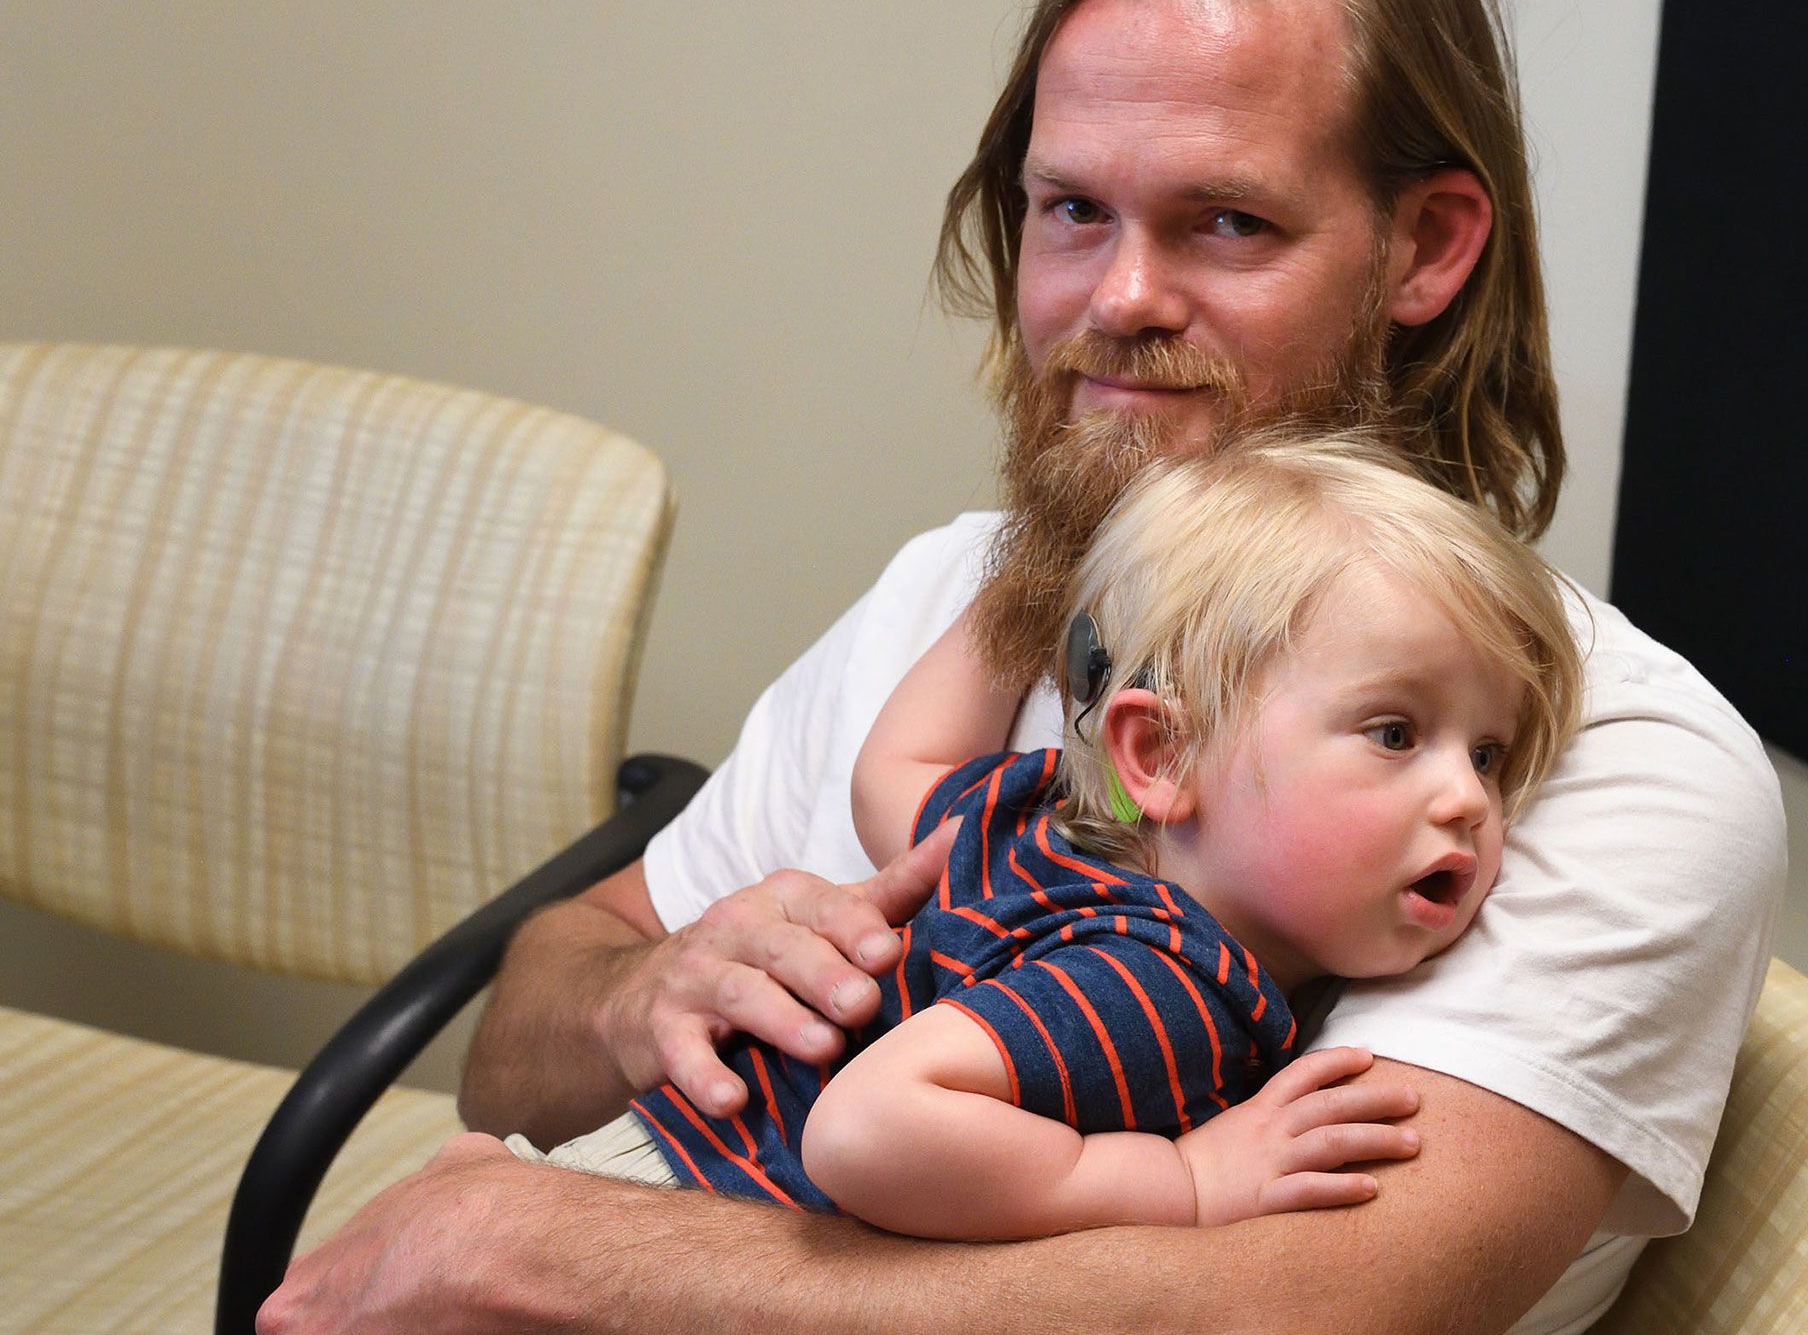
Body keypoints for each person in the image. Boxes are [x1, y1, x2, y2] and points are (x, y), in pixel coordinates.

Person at [259, 0, 1786, 1335]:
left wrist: (534, 1256)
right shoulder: (973, 596)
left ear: (1428, 248)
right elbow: (517, 1045)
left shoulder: (1611, 760)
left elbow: (1296, 1318)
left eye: (1228, 221)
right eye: (1072, 210)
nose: (1116, 298)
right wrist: (634, 997)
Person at [515, 434, 1582, 1241]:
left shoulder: (1045, 826)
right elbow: (869, 1128)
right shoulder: (1167, 987)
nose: (1469, 801)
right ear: (1157, 760)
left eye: (1488, 754)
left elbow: (895, 776)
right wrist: (1190, 1184)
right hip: (671, 1225)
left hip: (601, 1183)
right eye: (1395, 733)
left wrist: (1029, 586)